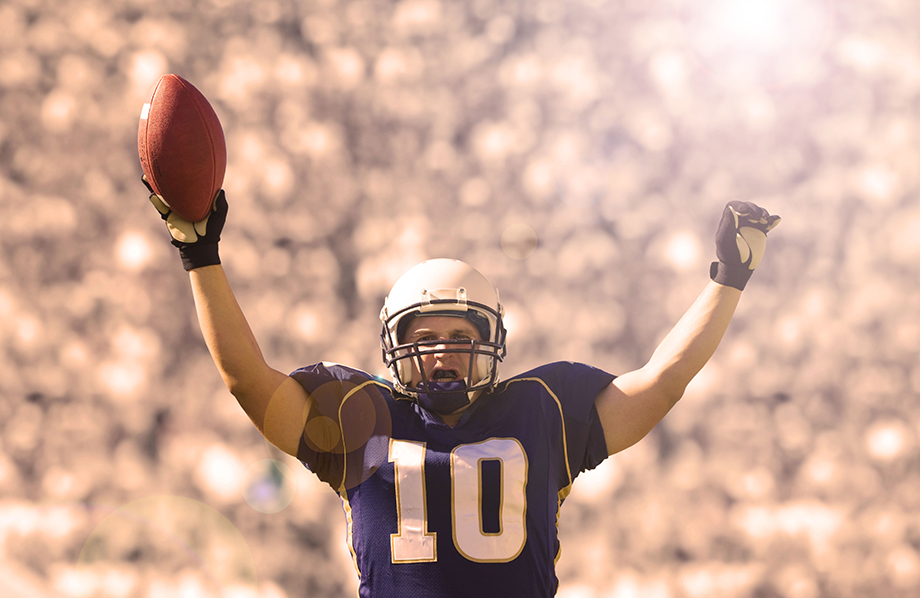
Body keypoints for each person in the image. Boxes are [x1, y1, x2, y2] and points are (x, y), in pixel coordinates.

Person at [143, 178, 780, 597]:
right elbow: (247, 382)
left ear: (492, 341)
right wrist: (198, 254)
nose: (444, 351)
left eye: (459, 334)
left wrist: (728, 278)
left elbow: (661, 384)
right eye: (426, 336)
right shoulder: (360, 410)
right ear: (396, 347)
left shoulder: (542, 406)